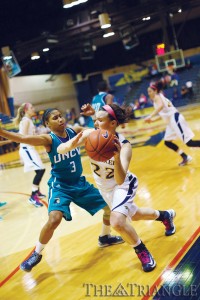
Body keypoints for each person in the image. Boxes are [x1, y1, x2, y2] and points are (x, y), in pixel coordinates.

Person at [0, 108, 123, 272]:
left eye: (60, 116)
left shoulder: (75, 131)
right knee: (54, 219)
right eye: (55, 118)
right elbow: (23, 138)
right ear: (47, 124)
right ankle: (36, 253)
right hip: (61, 186)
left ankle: (105, 236)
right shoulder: (48, 139)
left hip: (80, 183)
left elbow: (100, 132)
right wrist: (2, 131)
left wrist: (94, 115)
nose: (60, 119)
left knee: (108, 208)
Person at [57, 104, 176, 272]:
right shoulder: (91, 135)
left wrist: (116, 156)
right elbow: (60, 149)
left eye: (100, 120)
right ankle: (165, 215)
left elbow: (120, 180)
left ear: (113, 123)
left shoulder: (125, 146)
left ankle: (142, 250)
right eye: (95, 119)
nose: (95, 123)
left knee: (117, 222)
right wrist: (72, 143)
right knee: (134, 215)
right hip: (104, 189)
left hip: (123, 185)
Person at [144, 82, 200, 166]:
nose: (148, 93)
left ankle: (186, 157)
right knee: (167, 142)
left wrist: (150, 116)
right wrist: (153, 120)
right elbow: (163, 113)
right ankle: (185, 157)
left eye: (150, 91)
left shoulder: (157, 97)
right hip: (171, 122)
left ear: (155, 91)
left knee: (189, 143)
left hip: (175, 119)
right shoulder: (158, 98)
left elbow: (161, 106)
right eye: (148, 92)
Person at [13, 103, 46, 207]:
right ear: (26, 110)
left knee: (39, 170)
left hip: (30, 148)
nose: (34, 109)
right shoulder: (26, 121)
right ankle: (33, 196)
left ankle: (37, 192)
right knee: (41, 170)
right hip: (26, 148)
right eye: (32, 108)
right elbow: (21, 137)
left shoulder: (29, 120)